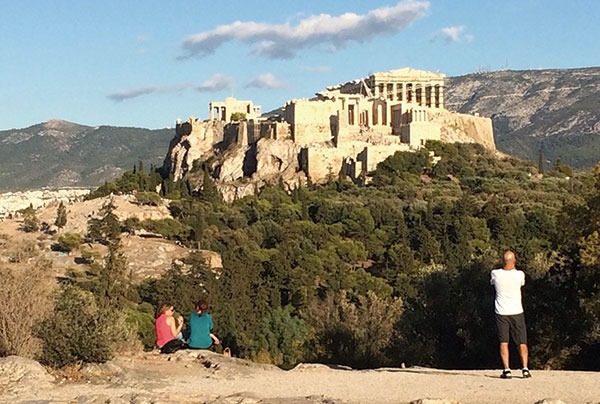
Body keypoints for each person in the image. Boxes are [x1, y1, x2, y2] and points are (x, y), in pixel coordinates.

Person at [490, 250, 531, 379]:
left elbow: (492, 283)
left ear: (503, 261)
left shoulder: (495, 273)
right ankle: (525, 368)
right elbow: (522, 284)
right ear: (514, 260)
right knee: (522, 342)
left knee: (504, 342)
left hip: (502, 312)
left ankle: (507, 369)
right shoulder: (520, 274)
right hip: (517, 311)